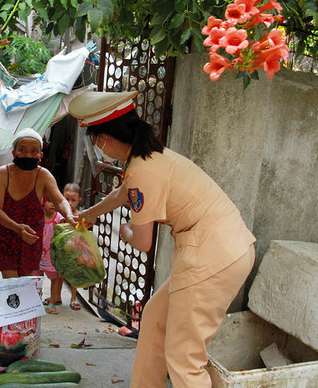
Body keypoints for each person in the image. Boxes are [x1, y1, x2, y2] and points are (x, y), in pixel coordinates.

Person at [69, 91, 256, 388]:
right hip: (219, 247)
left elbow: (142, 241)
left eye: (94, 140)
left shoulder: (144, 171)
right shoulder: (147, 156)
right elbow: (122, 193)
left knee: (184, 357)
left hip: (212, 256)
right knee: (155, 320)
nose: (96, 147)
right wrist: (91, 213)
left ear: (103, 139)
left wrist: (120, 229)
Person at [0, 128, 74, 279]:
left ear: (40, 156)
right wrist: (18, 228)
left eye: (34, 151)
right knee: (12, 282)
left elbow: (60, 201)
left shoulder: (43, 175)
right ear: (13, 153)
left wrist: (70, 216)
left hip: (31, 237)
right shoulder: (2, 173)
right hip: (4, 234)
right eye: (22, 150)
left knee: (26, 283)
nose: (28, 155)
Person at [38, 196, 64, 314]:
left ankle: (52, 302)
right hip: (38, 255)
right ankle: (37, 301)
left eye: (54, 201)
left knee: (55, 278)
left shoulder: (59, 219)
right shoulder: (38, 217)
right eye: (49, 201)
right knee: (37, 279)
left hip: (53, 256)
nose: (52, 204)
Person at [61, 182, 83, 311]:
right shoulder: (60, 214)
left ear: (79, 200)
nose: (69, 203)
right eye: (66, 199)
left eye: (73, 200)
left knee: (74, 274)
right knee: (57, 275)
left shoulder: (80, 216)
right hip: (61, 248)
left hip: (75, 248)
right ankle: (55, 297)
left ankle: (73, 298)